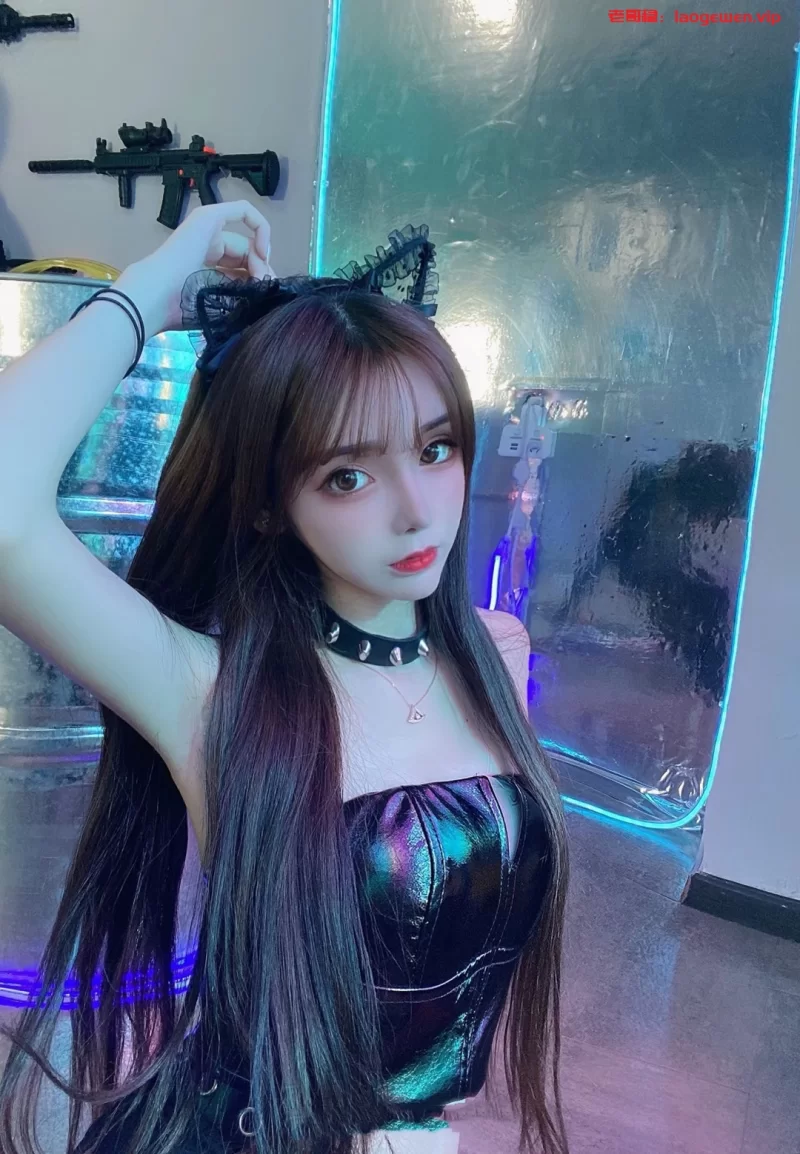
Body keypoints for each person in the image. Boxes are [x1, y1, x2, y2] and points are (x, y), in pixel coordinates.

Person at [0, 202, 570, 1154]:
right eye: (348, 475)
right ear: (270, 505)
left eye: (435, 448)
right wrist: (156, 283)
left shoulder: (495, 654)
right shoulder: (212, 693)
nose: (415, 509)